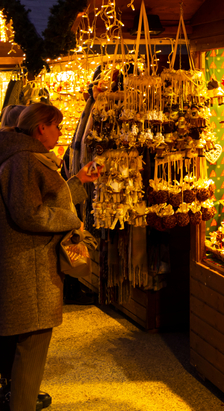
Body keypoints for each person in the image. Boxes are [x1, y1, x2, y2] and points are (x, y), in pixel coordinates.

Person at [0, 102, 99, 411]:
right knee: (32, 350)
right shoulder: (25, 161)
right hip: (29, 269)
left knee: (23, 345)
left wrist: (78, 183)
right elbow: (30, 213)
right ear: (41, 127)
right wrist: (71, 220)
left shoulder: (21, 158)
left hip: (26, 265)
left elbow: (44, 199)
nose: (59, 132)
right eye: (56, 126)